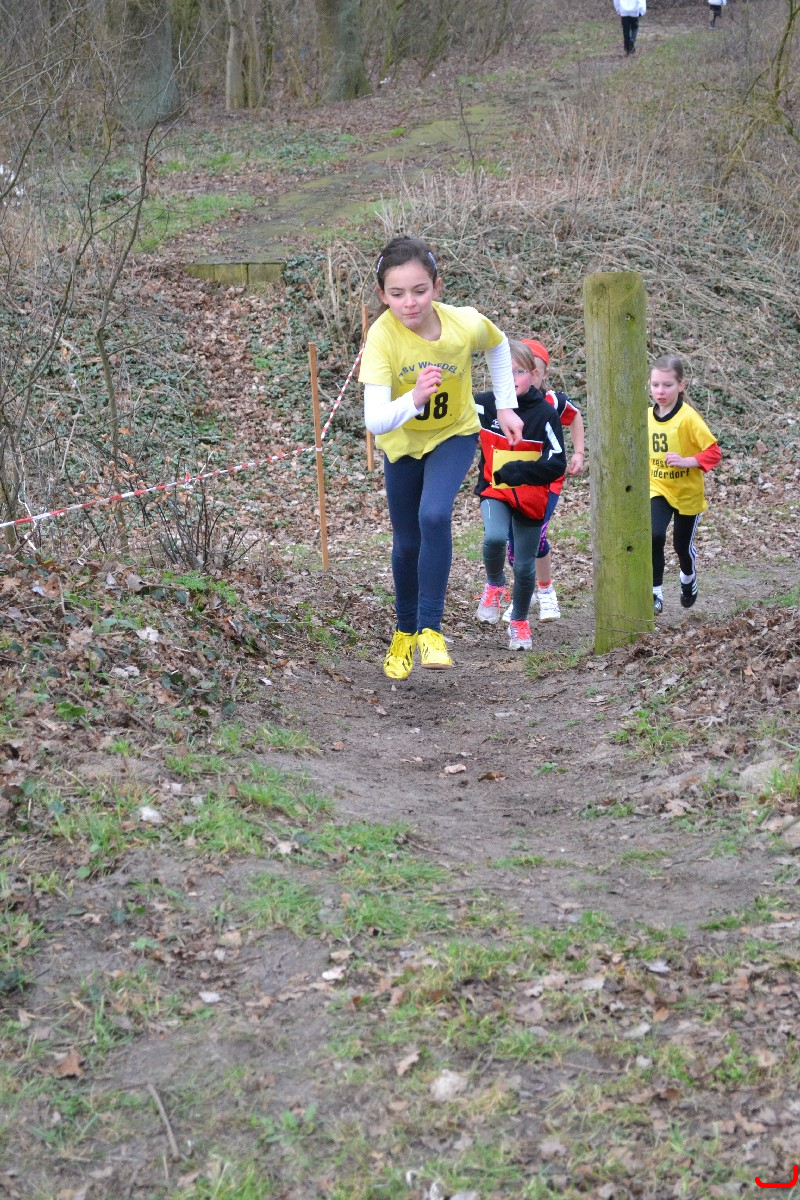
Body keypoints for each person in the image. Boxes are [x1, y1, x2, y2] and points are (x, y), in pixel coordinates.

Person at [360, 235, 524, 681]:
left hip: (454, 434)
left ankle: (431, 630)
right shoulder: (382, 338)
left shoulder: (462, 323)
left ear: (437, 285)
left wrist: (505, 406)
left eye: (419, 290)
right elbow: (375, 419)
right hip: (402, 445)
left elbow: (498, 345)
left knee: (434, 515)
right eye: (397, 294)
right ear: (383, 295)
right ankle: (404, 633)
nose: (409, 302)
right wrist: (414, 399)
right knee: (406, 540)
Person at [473, 339, 567, 651]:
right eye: (505, 371)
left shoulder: (545, 414)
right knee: (494, 538)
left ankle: (519, 623)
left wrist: (521, 471)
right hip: (494, 491)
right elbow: (450, 417)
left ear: (534, 375)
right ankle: (494, 585)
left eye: (520, 371)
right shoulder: (484, 404)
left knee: (525, 566)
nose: (512, 378)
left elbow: (557, 463)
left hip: (531, 498)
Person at [501, 338, 585, 623]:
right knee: (513, 542)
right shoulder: (503, 403)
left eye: (532, 370)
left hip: (547, 484)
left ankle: (546, 590)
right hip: (512, 482)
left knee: (535, 536)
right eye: (516, 370)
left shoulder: (553, 402)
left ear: (542, 373)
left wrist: (579, 453)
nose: (526, 376)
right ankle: (524, 592)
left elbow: (575, 417)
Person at [649, 356, 721, 615]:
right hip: (657, 487)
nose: (660, 391)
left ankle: (688, 577)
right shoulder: (645, 417)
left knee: (682, 547)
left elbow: (714, 452)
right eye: (655, 385)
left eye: (667, 385)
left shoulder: (689, 418)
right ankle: (655, 593)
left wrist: (687, 461)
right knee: (654, 536)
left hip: (687, 493)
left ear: (680, 385)